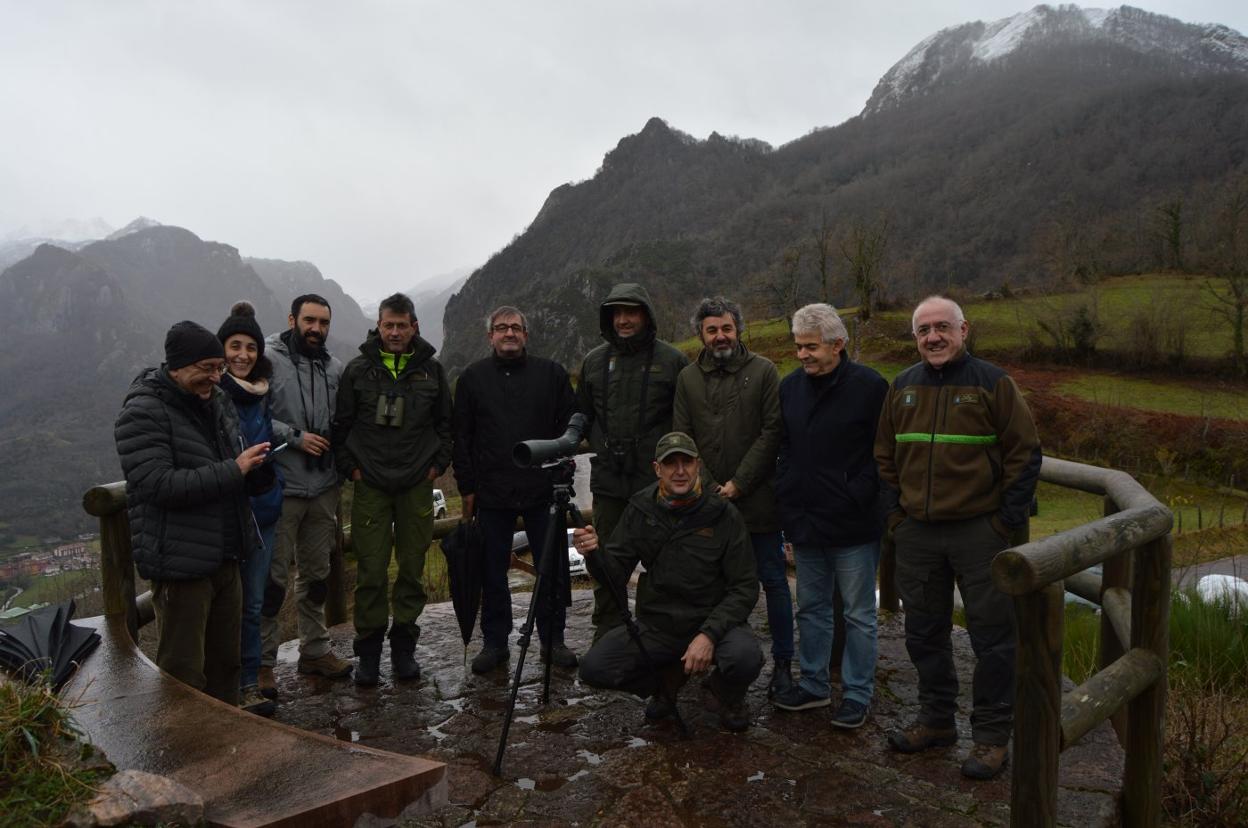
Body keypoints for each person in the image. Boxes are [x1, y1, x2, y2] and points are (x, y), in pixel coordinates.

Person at [875, 295, 1041, 780]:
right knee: (924, 633)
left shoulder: (993, 383)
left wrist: (1002, 522)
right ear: (915, 337)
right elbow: (883, 457)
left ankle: (991, 737)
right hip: (918, 534)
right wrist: (897, 518)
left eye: (942, 327)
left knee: (994, 639)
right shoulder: (902, 386)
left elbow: (1025, 453)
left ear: (963, 330)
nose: (934, 337)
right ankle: (936, 720)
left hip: (979, 533)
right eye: (924, 330)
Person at [115, 320, 274, 705]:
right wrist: (234, 470)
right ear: (177, 366)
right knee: (183, 673)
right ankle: (180, 741)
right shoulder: (142, 412)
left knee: (226, 666)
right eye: (207, 368)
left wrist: (254, 472)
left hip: (226, 555)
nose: (216, 377)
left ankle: (225, 740)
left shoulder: (216, 401)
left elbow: (228, 463)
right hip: (181, 563)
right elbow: (158, 484)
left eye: (219, 368)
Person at [575, 432, 762, 732]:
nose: (680, 471)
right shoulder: (640, 507)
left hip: (711, 619)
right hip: (659, 623)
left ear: (698, 465)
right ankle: (666, 681)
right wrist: (594, 554)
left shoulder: (724, 514)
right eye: (670, 463)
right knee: (594, 668)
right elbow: (614, 574)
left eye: (686, 462)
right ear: (657, 469)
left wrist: (709, 635)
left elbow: (745, 587)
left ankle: (725, 693)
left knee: (746, 658)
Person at [772, 304, 888, 730]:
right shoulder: (790, 388)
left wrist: (857, 492)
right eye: (799, 346)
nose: (802, 355)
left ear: (838, 344)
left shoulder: (870, 387)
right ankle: (814, 684)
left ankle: (857, 694)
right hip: (806, 520)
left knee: (858, 614)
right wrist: (786, 490)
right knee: (811, 608)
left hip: (854, 523)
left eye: (811, 347)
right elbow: (785, 446)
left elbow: (883, 452)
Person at [672, 296, 793, 698]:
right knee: (710, 585)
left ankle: (783, 664)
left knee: (773, 582)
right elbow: (682, 436)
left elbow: (772, 431)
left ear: (738, 329)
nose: (720, 336)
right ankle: (716, 661)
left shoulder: (764, 371)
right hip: (706, 505)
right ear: (701, 335)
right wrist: (708, 486)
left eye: (726, 327)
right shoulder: (687, 379)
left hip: (758, 501)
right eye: (712, 330)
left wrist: (740, 482)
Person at [333, 292, 453, 686]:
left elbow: (445, 425)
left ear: (414, 326)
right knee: (370, 570)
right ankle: (368, 653)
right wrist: (352, 470)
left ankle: (404, 647)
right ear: (379, 327)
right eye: (389, 325)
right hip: (370, 485)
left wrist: (436, 467)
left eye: (402, 325)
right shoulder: (358, 371)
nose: (396, 332)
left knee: (412, 568)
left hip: (416, 484)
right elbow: (342, 425)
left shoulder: (432, 372)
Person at [453, 305, 580, 673]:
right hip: (492, 491)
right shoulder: (472, 379)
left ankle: (552, 640)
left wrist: (562, 468)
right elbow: (461, 437)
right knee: (492, 572)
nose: (508, 333)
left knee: (552, 568)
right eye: (501, 327)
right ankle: (495, 643)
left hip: (543, 488)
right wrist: (467, 486)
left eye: (515, 327)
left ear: (525, 334)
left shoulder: (552, 374)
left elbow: (570, 425)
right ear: (490, 335)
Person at [576, 283, 688, 641]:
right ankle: (609, 631)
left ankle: (665, 629)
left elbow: (684, 421)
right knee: (607, 555)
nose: (623, 320)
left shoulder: (672, 361)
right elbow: (582, 415)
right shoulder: (593, 362)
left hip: (657, 481)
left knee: (665, 556)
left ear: (646, 315)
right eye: (617, 313)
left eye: (631, 312)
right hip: (609, 478)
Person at [261, 294, 352, 697]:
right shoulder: (267, 359)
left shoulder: (334, 368)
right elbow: (253, 416)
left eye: (323, 323)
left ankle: (314, 650)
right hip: (282, 486)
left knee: (317, 576)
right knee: (272, 580)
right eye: (309, 320)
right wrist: (295, 437)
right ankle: (262, 664)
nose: (316, 329)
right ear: (292, 319)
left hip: (324, 487)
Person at [216, 302, 283, 717]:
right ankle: (224, 685)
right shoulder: (211, 392)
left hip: (263, 511)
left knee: (254, 602)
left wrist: (273, 486)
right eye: (235, 346)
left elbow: (268, 442)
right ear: (222, 349)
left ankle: (249, 683)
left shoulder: (261, 393)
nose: (243, 354)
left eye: (251, 347)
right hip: (225, 514)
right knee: (226, 604)